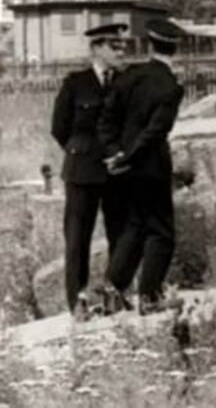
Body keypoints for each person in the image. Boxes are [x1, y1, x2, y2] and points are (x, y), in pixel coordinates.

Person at [98, 18, 186, 315]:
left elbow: (107, 120)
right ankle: (150, 297)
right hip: (150, 167)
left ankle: (112, 290)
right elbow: (155, 132)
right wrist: (130, 157)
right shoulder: (171, 85)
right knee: (161, 232)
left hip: (124, 169)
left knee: (134, 226)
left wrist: (114, 155)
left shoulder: (129, 76)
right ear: (176, 48)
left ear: (150, 44)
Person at [50, 22, 130, 320]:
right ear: (96, 48)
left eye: (123, 46)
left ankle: (115, 293)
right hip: (81, 171)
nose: (120, 51)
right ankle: (78, 300)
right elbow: (59, 127)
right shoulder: (76, 83)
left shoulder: (126, 81)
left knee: (120, 233)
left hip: (116, 171)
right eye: (114, 46)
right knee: (77, 237)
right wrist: (81, 151)